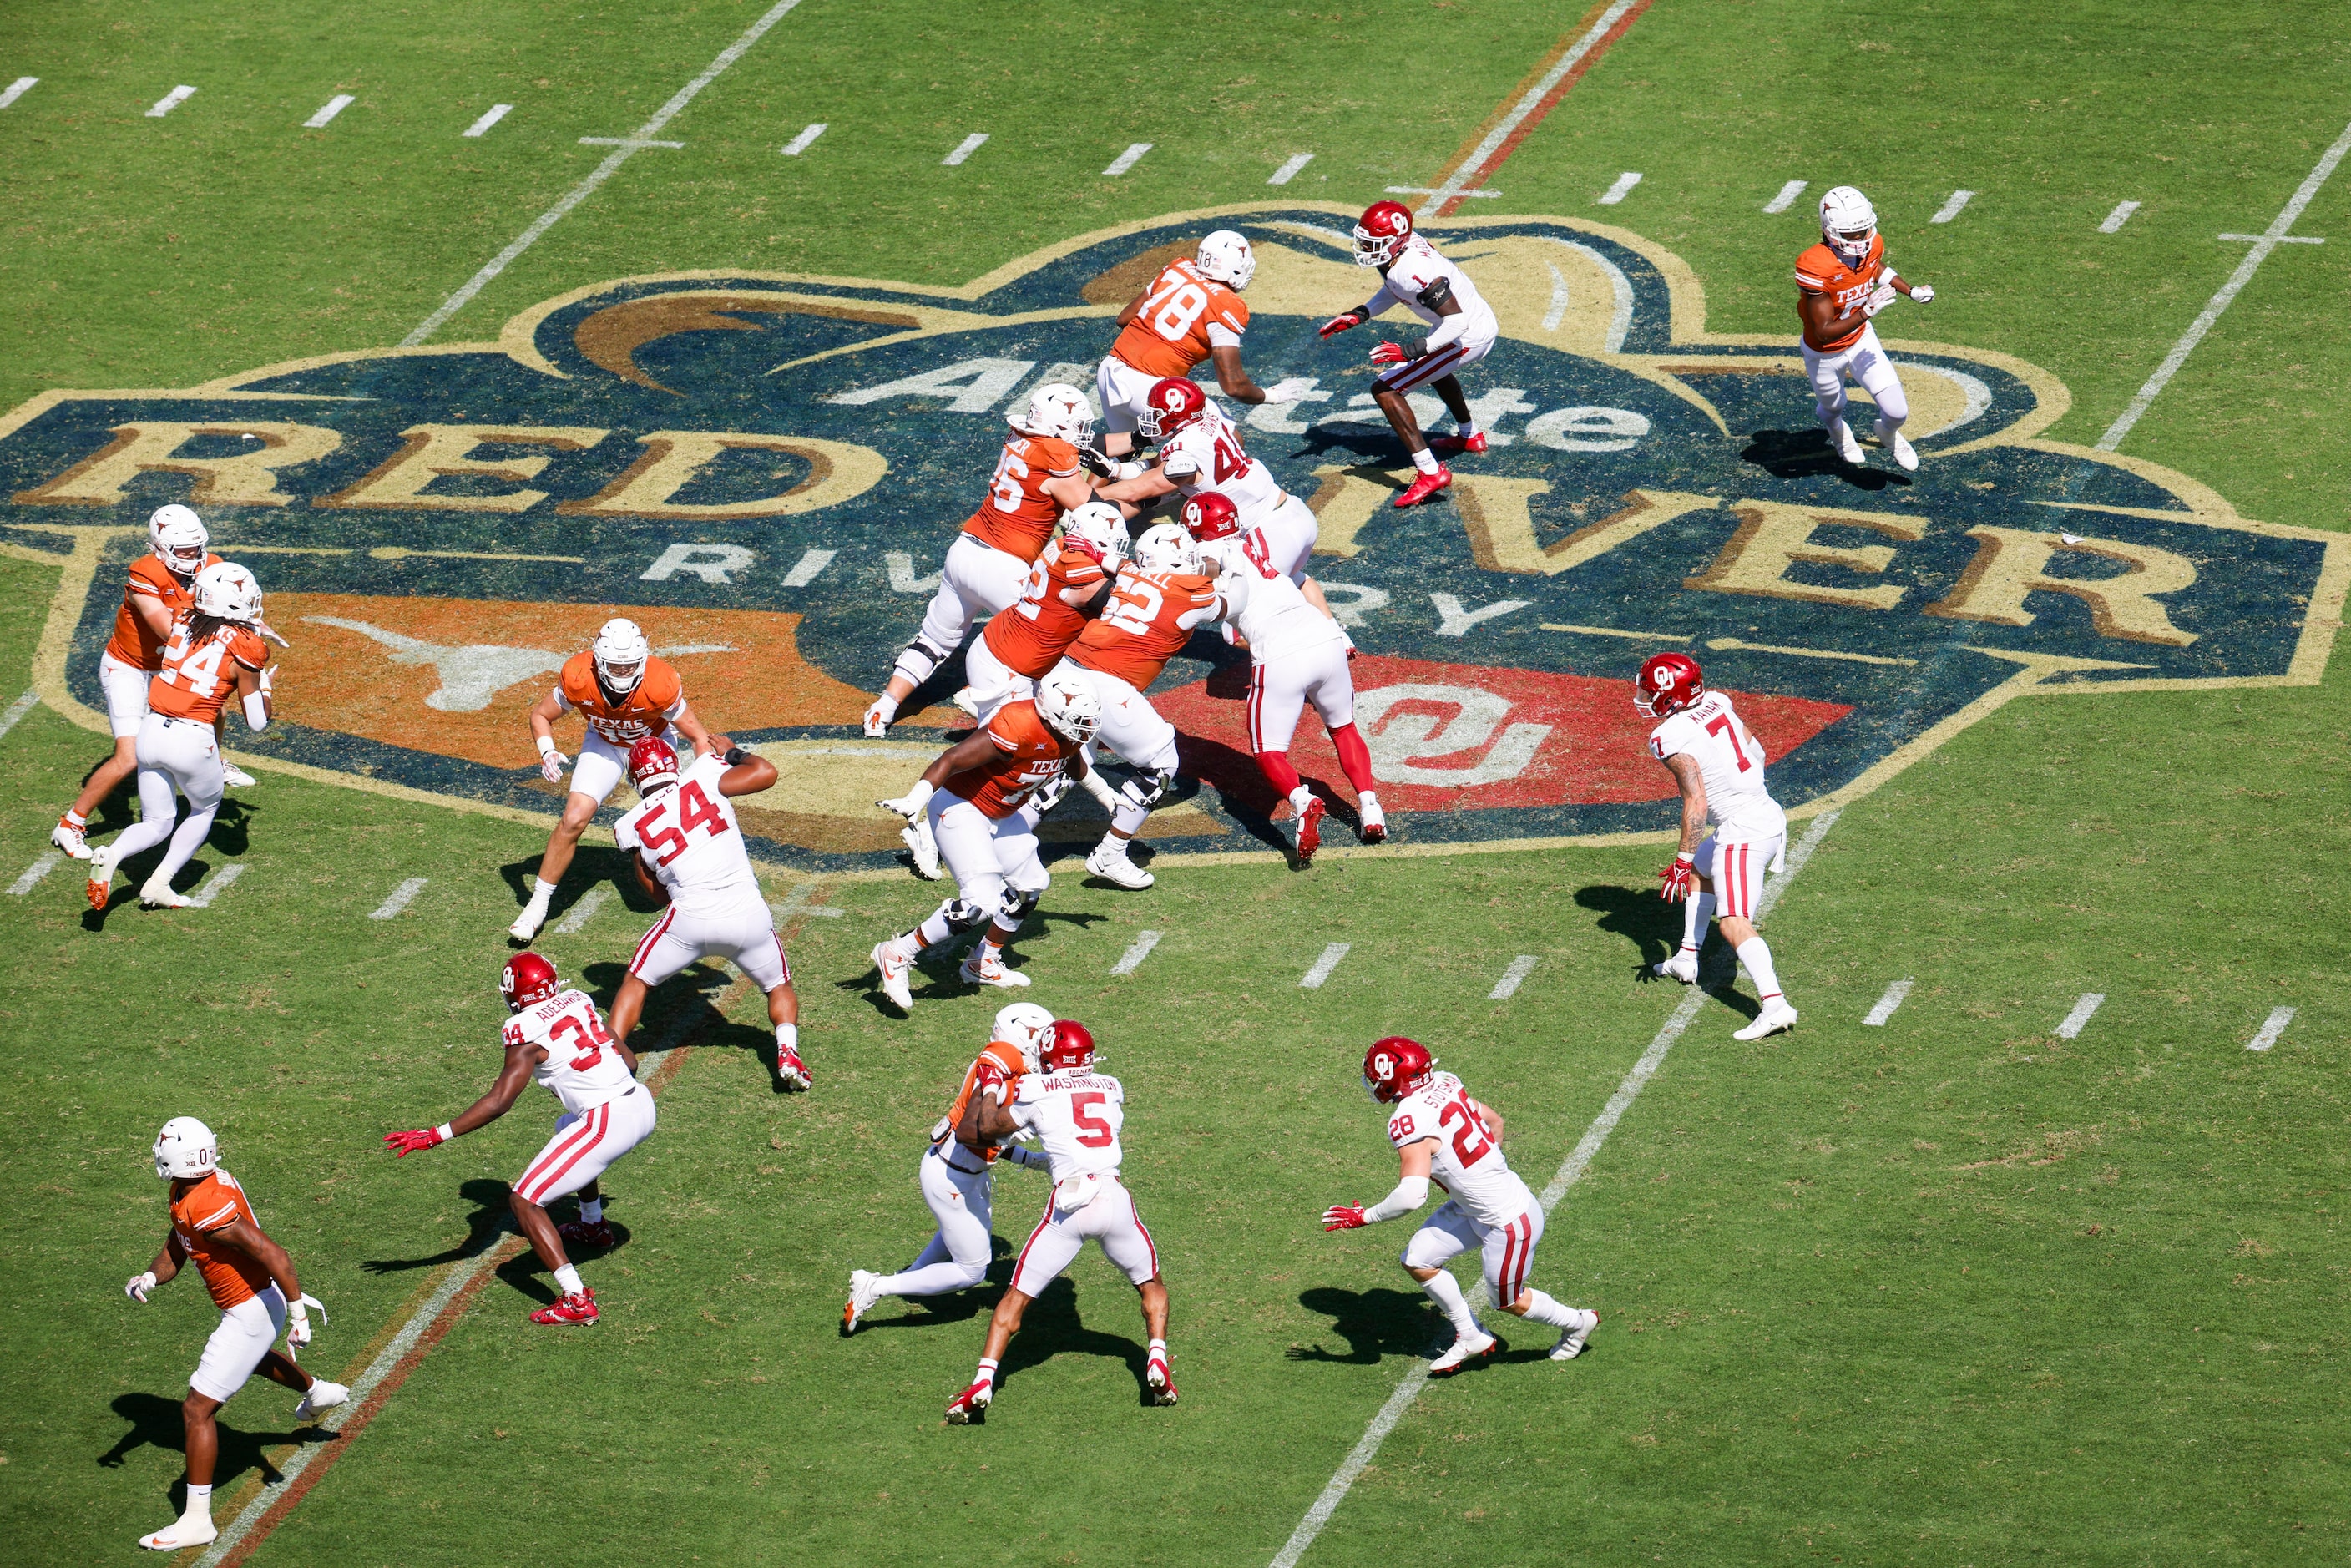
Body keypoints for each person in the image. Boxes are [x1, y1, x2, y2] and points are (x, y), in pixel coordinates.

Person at [383, 953, 657, 1326]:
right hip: (640, 1102)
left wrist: (436, 1135)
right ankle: (593, 1225)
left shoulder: (524, 1029)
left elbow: (499, 1102)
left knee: (524, 1201)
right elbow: (630, 1062)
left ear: (516, 996)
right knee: (566, 1128)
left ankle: (576, 1299)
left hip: (606, 1119)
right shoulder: (579, 999)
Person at [124, 1117, 347, 1551]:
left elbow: (272, 1252)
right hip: (253, 1305)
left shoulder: (206, 1204)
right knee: (253, 1360)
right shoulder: (190, 1190)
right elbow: (180, 1238)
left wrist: (298, 1314)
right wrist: (152, 1276)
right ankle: (318, 1392)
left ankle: (196, 1522)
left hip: (253, 1309)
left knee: (196, 1410)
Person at [1321, 1039, 1598, 1374]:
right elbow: (1495, 1122)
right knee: (1417, 1260)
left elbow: (1412, 1196)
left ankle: (1578, 1322)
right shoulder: (1446, 1082)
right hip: (1479, 1206)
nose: (1375, 1082)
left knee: (1508, 1302)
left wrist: (1364, 1216)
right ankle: (1471, 1335)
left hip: (1508, 1221)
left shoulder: (1408, 1120)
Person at [945, 1019, 1176, 1421]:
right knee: (1151, 1285)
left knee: (1014, 1298)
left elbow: (984, 1128)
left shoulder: (1036, 1089)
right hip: (1112, 1196)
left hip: (1069, 1204)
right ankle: (1157, 1358)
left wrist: (991, 1084)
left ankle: (983, 1381)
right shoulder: (1112, 1085)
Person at [863, 385, 1104, 738]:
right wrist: (1140, 486)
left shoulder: (1021, 436)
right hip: (1006, 566)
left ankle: (883, 707)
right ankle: (991, 701)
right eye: (1078, 425)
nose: (1084, 433)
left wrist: (1133, 442)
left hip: (965, 551)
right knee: (1048, 643)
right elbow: (1094, 509)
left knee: (933, 639)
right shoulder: (1056, 451)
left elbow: (1086, 452)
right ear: (1059, 427)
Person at [869, 674, 1103, 1004]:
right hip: (961, 805)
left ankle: (983, 961)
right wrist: (915, 798)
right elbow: (951, 759)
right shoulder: (1017, 724)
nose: (1086, 729)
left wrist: (1107, 795)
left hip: (1001, 814)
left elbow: (1072, 761)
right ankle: (896, 953)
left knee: (1029, 884)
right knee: (980, 902)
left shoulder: (1065, 733)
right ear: (1052, 713)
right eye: (1079, 721)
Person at [604, 736, 809, 1090]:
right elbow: (766, 772)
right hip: (748, 911)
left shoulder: (629, 825)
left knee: (636, 981)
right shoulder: (703, 774)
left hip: (690, 919)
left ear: (635, 779)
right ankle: (788, 1052)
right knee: (778, 986)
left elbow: (655, 896)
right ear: (673, 764)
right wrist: (731, 752)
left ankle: (608, 1060)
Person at [842, 1004, 1055, 1332]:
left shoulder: (1011, 1075)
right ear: (1023, 1036)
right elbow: (982, 1116)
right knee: (973, 1271)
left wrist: (1034, 1161)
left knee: (960, 1231)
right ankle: (877, 1287)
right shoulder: (1001, 1061)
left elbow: (990, 1145)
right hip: (951, 1177)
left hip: (962, 1172)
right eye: (1039, 1039)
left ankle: (910, 1277)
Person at [511, 617, 718, 942]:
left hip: (652, 748)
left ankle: (702, 894)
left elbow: (698, 735)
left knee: (676, 825)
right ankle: (537, 905)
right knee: (573, 819)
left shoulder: (659, 681)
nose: (623, 673)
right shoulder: (579, 676)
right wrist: (547, 750)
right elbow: (540, 715)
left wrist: (702, 777)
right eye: (615, 667)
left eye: (630, 666)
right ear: (598, 659)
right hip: (603, 743)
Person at [1202, 493, 1384, 859]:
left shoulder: (1206, 566)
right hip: (1325, 639)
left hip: (1280, 655)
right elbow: (1301, 579)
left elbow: (1230, 636)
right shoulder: (1255, 545)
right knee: (1344, 727)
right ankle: (1370, 808)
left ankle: (1302, 801)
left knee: (1268, 752)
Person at [85, 561, 275, 911]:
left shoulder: (183, 618)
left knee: (156, 823)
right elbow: (258, 722)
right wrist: (264, 687)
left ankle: (111, 854)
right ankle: (159, 883)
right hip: (193, 736)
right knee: (204, 809)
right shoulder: (247, 647)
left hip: (152, 730)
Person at [54, 506, 235, 860]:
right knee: (128, 757)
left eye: (195, 547)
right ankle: (70, 823)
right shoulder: (145, 572)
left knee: (215, 711)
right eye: (182, 550)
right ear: (159, 547)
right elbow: (167, 629)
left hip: (168, 666)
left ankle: (216, 762)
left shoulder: (213, 565)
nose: (192, 556)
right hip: (130, 668)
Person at [1636, 652, 1799, 1040]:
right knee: (1702, 871)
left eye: (1650, 689)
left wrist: (1680, 857)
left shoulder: (1668, 735)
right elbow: (1754, 748)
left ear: (1669, 695)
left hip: (1744, 831)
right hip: (1760, 809)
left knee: (1733, 922)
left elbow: (1697, 802)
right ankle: (1687, 958)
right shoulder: (1718, 701)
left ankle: (1775, 1004)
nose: (1644, 696)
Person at [1054, 521, 1223, 889]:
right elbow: (1230, 603)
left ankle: (993, 834)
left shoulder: (1130, 571)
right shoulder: (1193, 593)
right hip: (1105, 685)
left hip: (1064, 671)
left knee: (1063, 766)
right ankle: (1111, 853)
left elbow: (1115, 561)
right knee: (1162, 762)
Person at [1098, 376, 1336, 619]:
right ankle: (1338, 638)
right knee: (1293, 580)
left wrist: (1091, 496)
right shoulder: (1207, 419)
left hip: (1266, 530)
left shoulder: (1184, 451)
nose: (1151, 417)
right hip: (1291, 512)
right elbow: (1159, 466)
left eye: (1157, 412)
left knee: (1245, 617)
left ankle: (1299, 651)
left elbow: (1136, 490)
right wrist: (1115, 470)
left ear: (1175, 415)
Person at [1317, 200, 1500, 509]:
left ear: (1396, 242)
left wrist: (1409, 351)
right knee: (1436, 374)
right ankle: (1470, 436)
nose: (1365, 247)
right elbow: (1394, 288)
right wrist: (1360, 314)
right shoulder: (1401, 255)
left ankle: (1430, 472)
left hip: (1465, 335)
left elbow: (1456, 322)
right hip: (1466, 324)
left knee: (1386, 390)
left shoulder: (1413, 269)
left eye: (1373, 243)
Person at [1091, 230, 1313, 462]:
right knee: (1228, 442)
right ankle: (1154, 492)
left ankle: (1088, 497)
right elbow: (1234, 386)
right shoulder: (1227, 304)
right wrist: (1271, 396)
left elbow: (1124, 318)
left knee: (1120, 453)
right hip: (1149, 384)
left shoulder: (1178, 268)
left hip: (1110, 371)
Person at [1797, 185, 1934, 472]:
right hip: (1825, 352)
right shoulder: (1815, 265)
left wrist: (1911, 291)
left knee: (1897, 411)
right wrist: (1866, 312)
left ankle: (1888, 433)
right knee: (1833, 407)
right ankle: (1838, 434)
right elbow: (1824, 330)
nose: (1860, 239)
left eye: (1863, 231)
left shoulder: (1871, 245)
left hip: (1860, 340)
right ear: (1830, 231)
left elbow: (1876, 267)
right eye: (1851, 234)